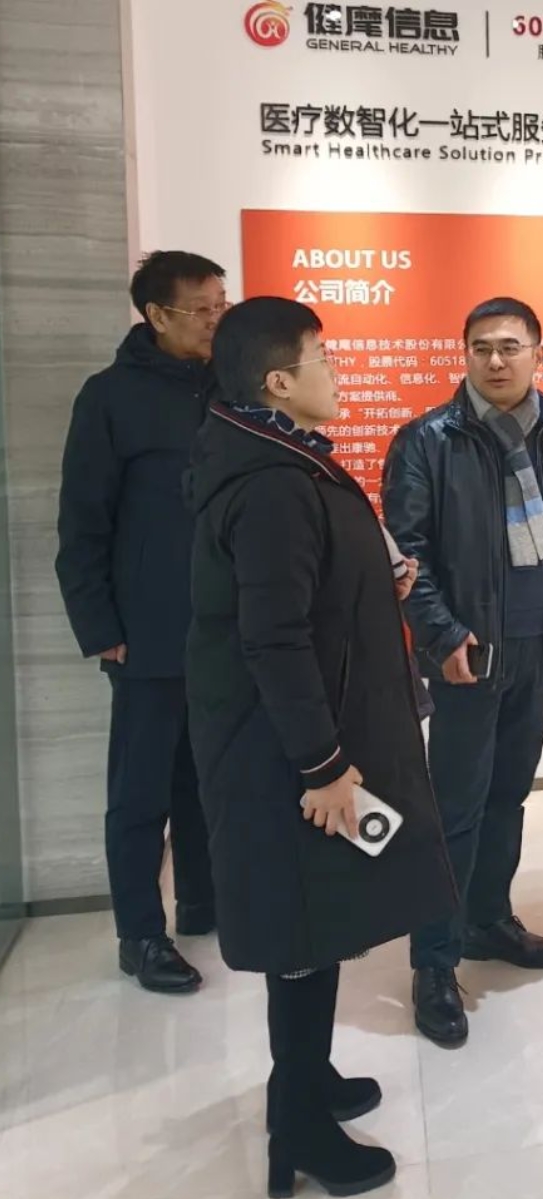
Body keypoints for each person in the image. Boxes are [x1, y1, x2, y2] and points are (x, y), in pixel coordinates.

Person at [185, 297, 455, 1196]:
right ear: (278, 381)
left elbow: (304, 590)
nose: (335, 374)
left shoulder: (274, 452)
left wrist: (376, 576)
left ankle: (307, 1077)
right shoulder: (271, 482)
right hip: (284, 757)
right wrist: (323, 765)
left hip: (294, 741)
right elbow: (273, 637)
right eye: (322, 360)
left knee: (319, 919)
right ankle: (298, 1126)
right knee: (301, 931)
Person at [383, 295, 543, 1050]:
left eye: (510, 346)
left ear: (538, 353)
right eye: (481, 347)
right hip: (469, 656)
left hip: (535, 646)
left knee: (507, 797)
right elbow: (406, 556)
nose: (495, 360)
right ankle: (433, 962)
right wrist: (443, 635)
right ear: (464, 354)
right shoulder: (428, 440)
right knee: (453, 808)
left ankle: (487, 920)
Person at [54, 251, 226, 993]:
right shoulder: (110, 398)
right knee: (140, 791)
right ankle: (140, 934)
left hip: (222, 628)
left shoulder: (230, 389)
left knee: (206, 777)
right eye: (202, 309)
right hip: (146, 632)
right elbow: (81, 524)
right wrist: (100, 628)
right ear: (157, 315)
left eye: (222, 305)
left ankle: (203, 903)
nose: (217, 320)